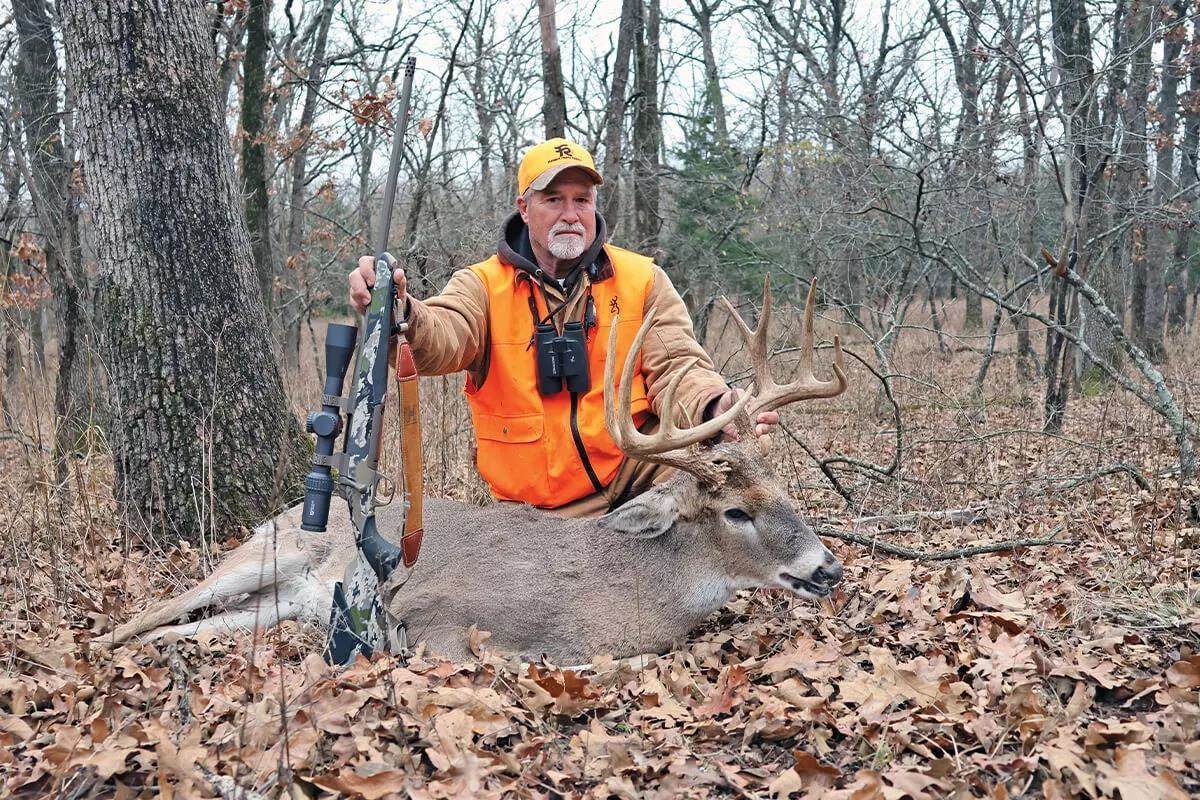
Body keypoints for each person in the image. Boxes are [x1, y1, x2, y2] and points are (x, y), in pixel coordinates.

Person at [348, 137, 778, 516]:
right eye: (553, 199)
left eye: (582, 199)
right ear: (524, 207)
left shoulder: (641, 279)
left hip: (641, 477)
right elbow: (444, 335)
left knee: (726, 472)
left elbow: (678, 365)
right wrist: (402, 312)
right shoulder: (482, 286)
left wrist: (714, 405)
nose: (571, 214)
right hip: (537, 511)